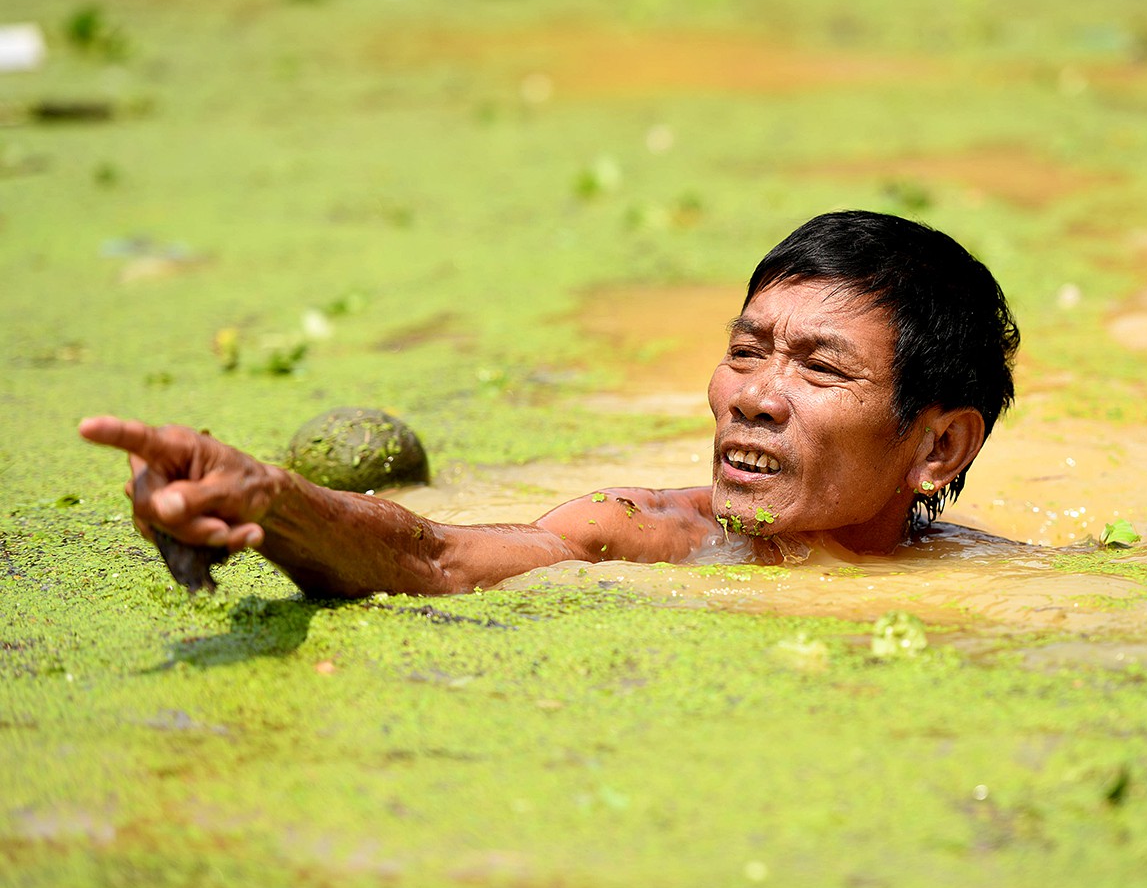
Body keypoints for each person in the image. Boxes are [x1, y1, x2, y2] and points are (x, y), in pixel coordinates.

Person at [79, 210, 1021, 598]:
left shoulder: (1003, 587)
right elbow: (434, 556)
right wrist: (270, 499)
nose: (755, 398)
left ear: (938, 447)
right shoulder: (640, 534)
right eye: (744, 352)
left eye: (819, 369)